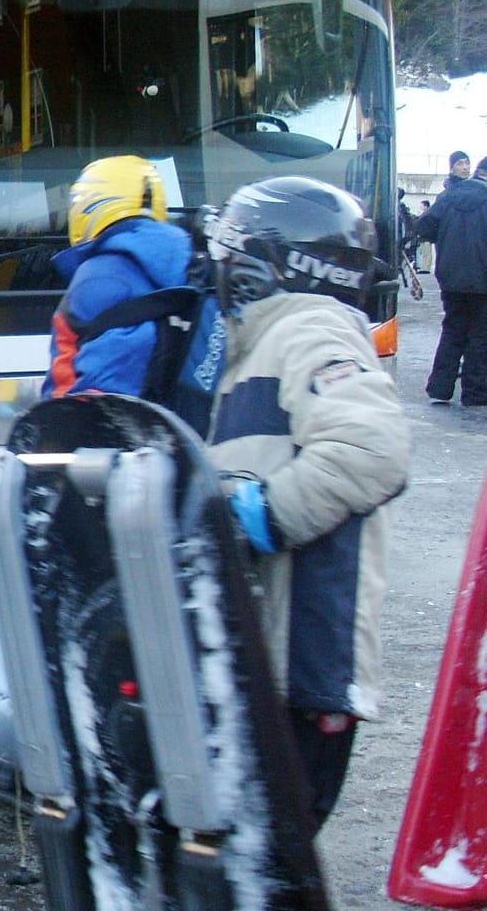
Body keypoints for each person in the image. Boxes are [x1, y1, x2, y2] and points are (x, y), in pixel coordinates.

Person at [204, 175, 410, 829]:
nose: (221, 268)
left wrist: (261, 516)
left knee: (271, 850)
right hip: (265, 650)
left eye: (231, 254)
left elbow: (371, 447)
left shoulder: (314, 330)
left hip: (305, 655)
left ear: (273, 264)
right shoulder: (256, 346)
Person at [43, 155, 198, 403]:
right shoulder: (192, 259)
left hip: (120, 431)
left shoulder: (94, 279)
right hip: (185, 430)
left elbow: (68, 394)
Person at [416, 155, 487, 405]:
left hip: (450, 277)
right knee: (480, 335)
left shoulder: (448, 197)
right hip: (482, 280)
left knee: (453, 329)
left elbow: (423, 227)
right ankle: (476, 394)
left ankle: (440, 387)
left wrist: (446, 240)